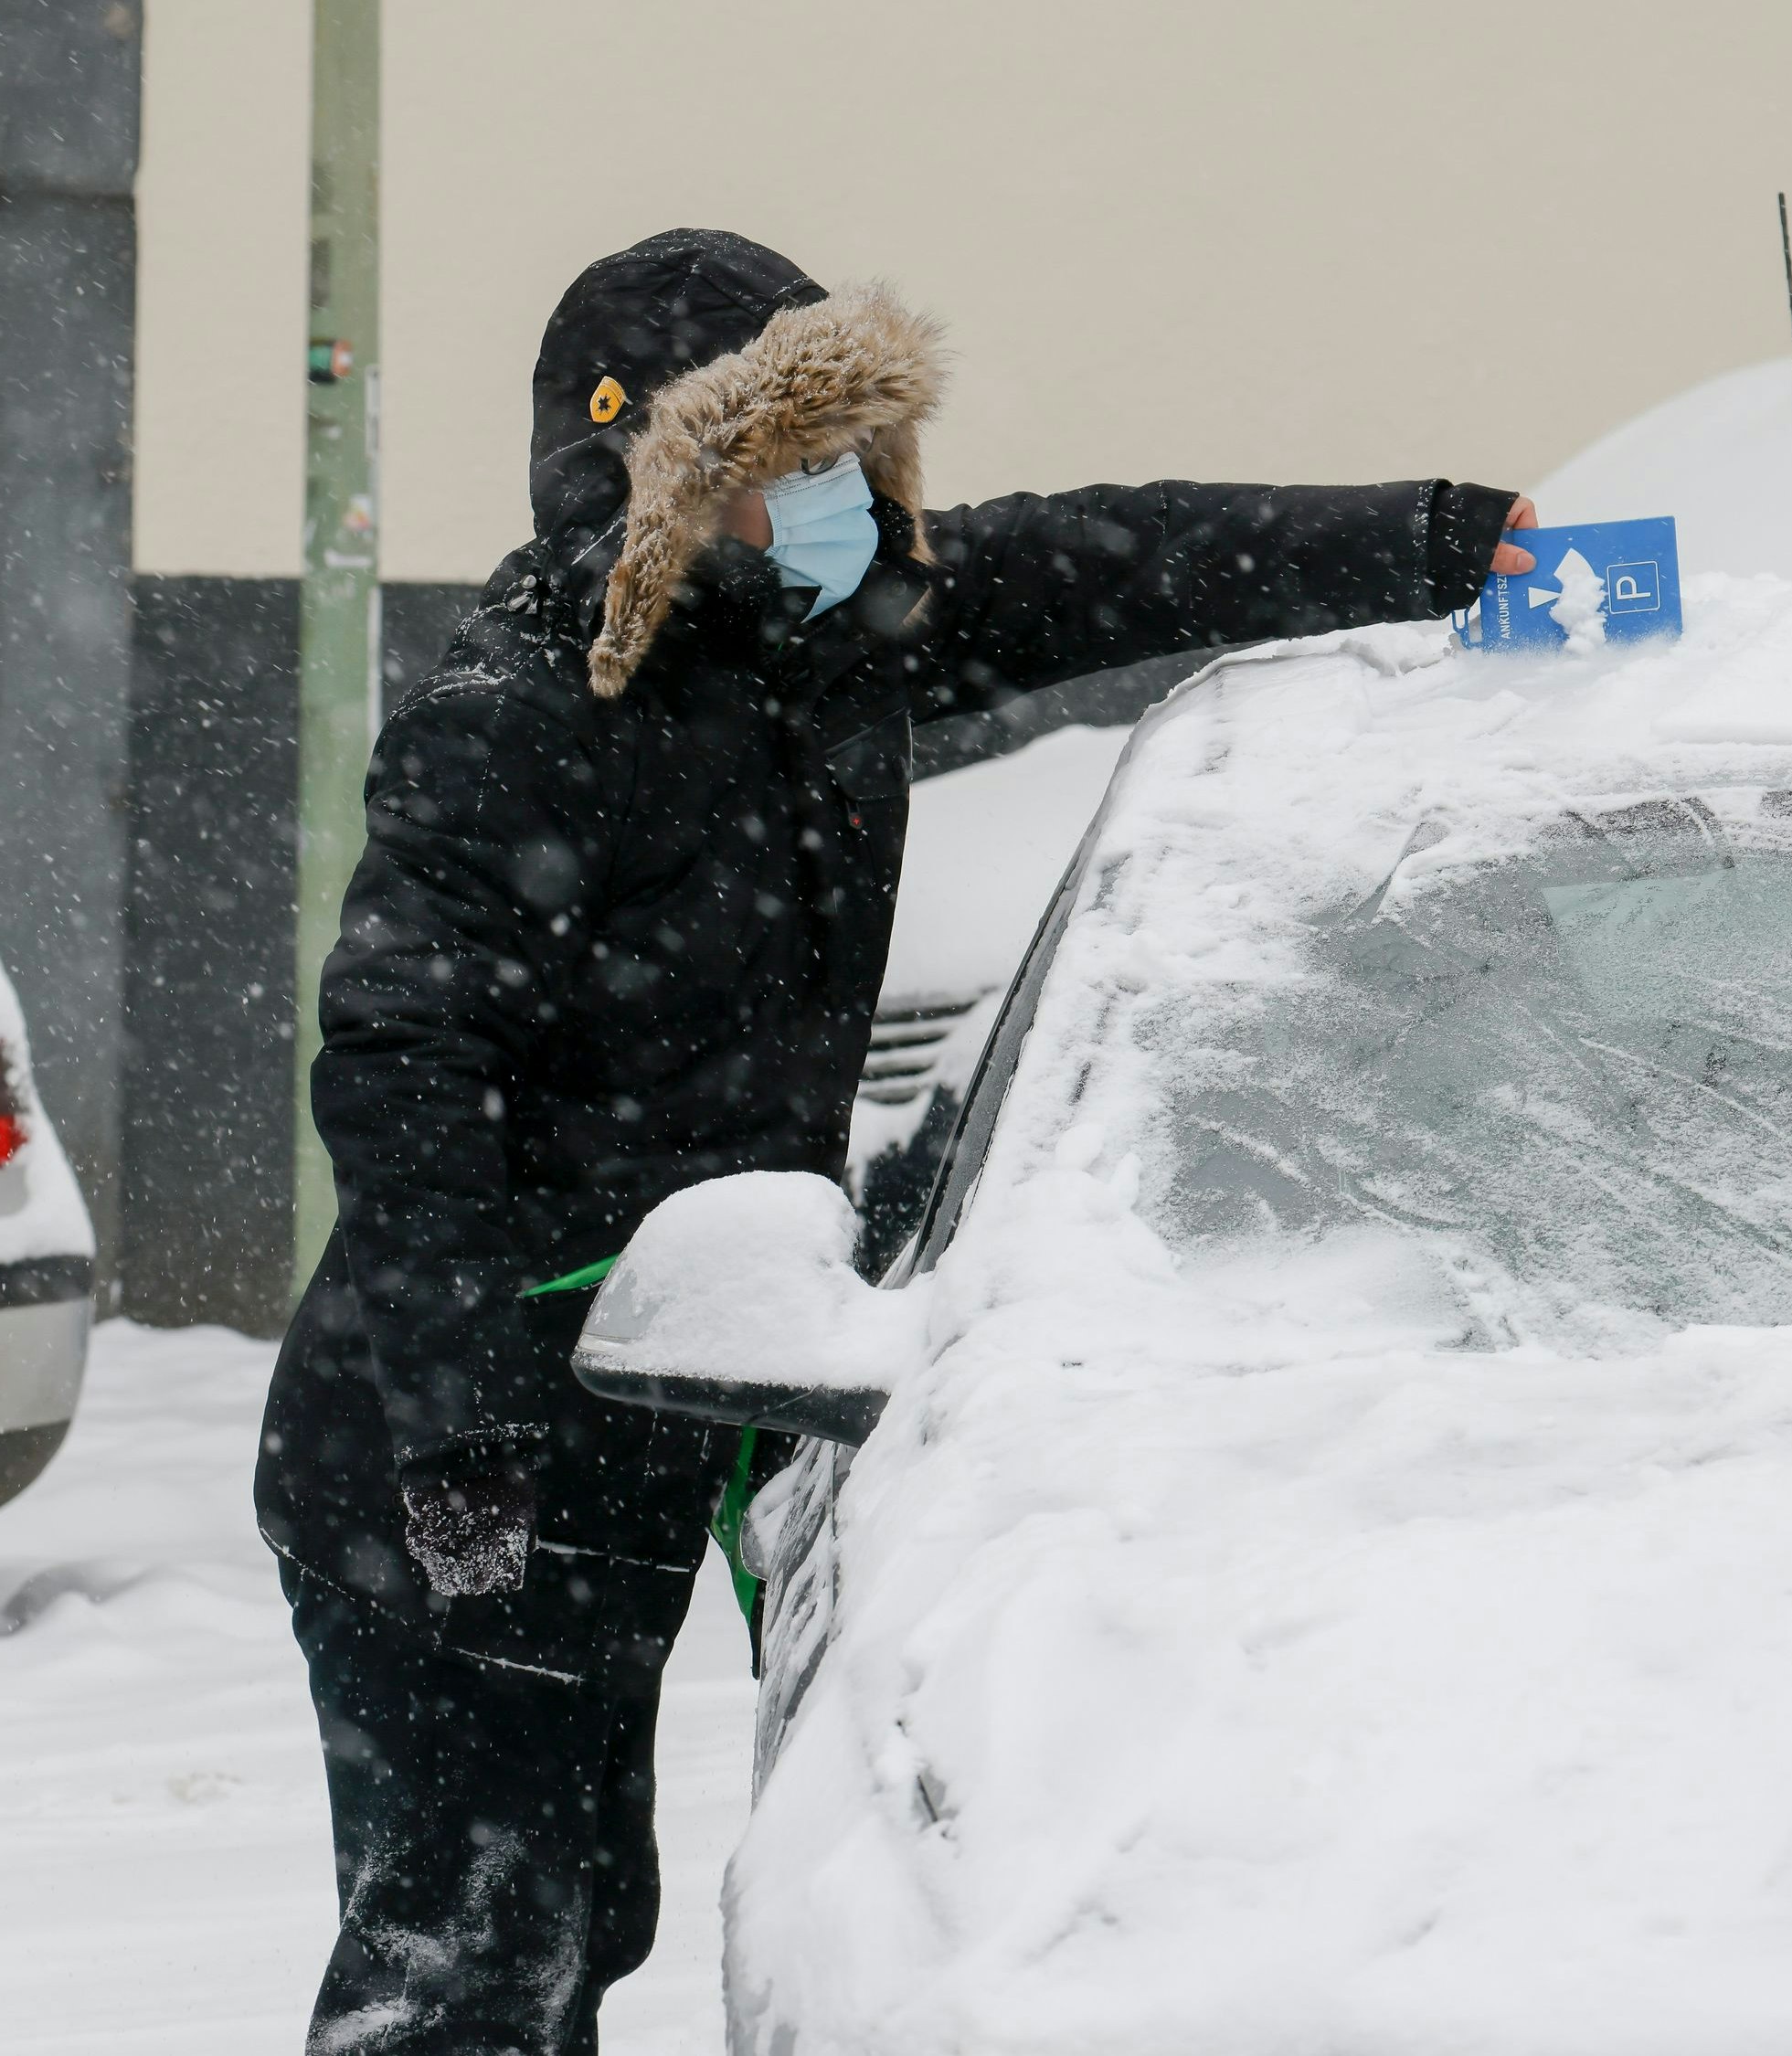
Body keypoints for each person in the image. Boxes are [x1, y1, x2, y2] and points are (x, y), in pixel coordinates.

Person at [256, 227, 1535, 2056]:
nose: (843, 494)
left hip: (677, 1368)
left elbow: (1124, 552)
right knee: (474, 1957)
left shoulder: (821, 648)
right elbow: (396, 1057)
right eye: (793, 460)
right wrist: (457, 1422)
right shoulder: (523, 710)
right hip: (452, 1430)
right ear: (668, 483)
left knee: (597, 1906)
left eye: (855, 449)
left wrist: (1430, 537)